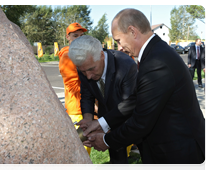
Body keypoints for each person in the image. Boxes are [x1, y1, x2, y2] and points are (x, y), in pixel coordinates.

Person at [83, 8, 206, 170]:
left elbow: (141, 122)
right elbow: (135, 99)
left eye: (119, 40)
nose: (119, 47)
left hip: (179, 154)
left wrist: (107, 141)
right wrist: (101, 123)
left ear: (132, 31)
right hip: (170, 150)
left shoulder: (157, 62)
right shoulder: (154, 53)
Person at [68, 35, 137, 170]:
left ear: (101, 55)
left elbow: (130, 103)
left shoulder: (126, 65)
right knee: (117, 162)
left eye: (91, 69)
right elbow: (87, 94)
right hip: (106, 118)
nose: (88, 76)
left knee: (150, 157)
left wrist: (100, 123)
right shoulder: (85, 64)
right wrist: (88, 119)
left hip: (133, 121)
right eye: (83, 71)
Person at [58, 22, 91, 155]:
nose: (79, 38)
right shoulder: (67, 56)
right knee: (80, 148)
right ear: (68, 37)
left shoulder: (80, 53)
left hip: (85, 106)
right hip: (77, 109)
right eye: (75, 35)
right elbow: (73, 86)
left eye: (82, 35)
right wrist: (92, 105)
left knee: (86, 144)